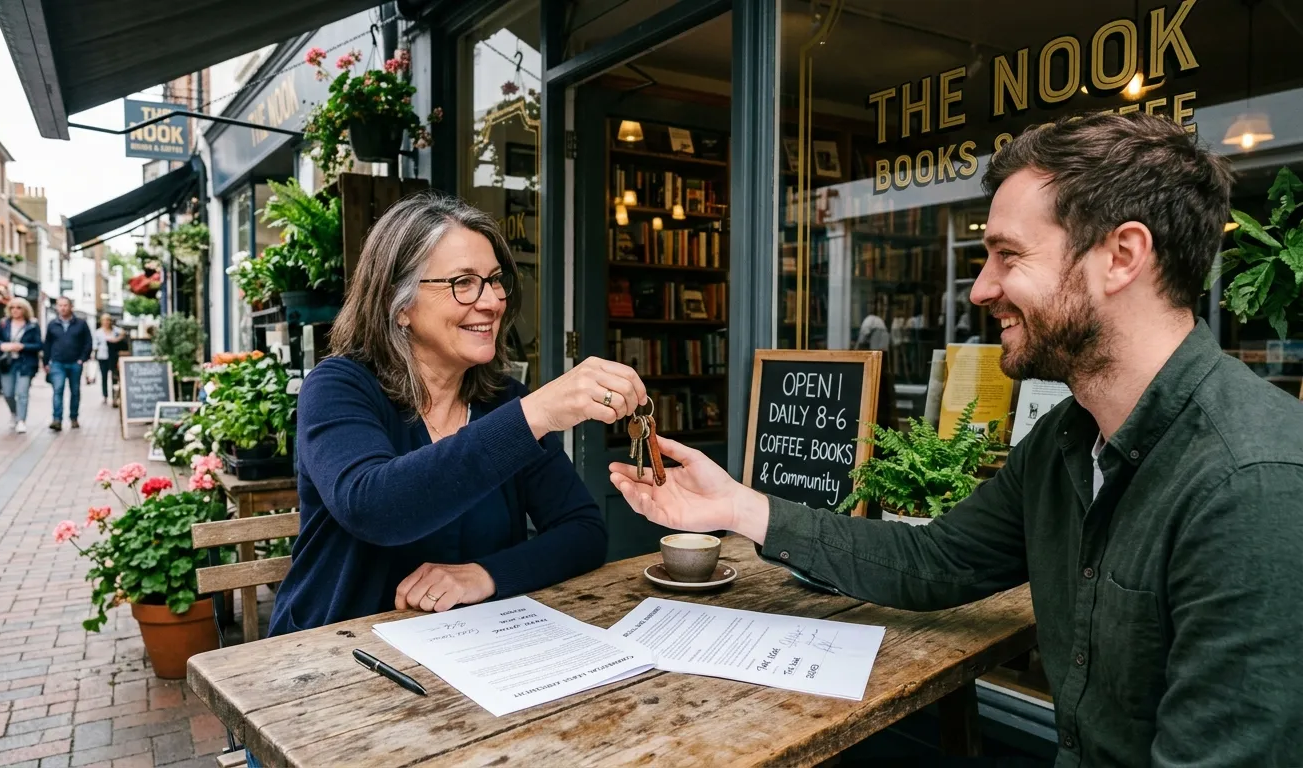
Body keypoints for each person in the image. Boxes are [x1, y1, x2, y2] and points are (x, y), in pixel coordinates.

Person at [610, 112, 1303, 766]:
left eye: (1006, 254)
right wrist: (733, 508)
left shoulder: (1254, 486)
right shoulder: (1067, 440)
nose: (979, 288)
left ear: (1121, 255)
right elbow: (935, 560)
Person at [267, 192, 637, 639]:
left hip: (471, 653)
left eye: (495, 280)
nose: (492, 302)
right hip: (336, 656)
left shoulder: (501, 400)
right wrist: (534, 415)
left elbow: (583, 532)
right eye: (464, 282)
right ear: (399, 304)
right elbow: (374, 507)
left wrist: (484, 575)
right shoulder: (338, 387)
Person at [0, 298, 43, 433]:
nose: (15, 310)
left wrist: (22, 346)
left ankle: (21, 420)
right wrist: (2, 345)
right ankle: (14, 413)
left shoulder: (32, 325)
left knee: (22, 393)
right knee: (8, 393)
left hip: (25, 363)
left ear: (25, 309)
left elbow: (39, 345)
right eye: (12, 307)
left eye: (19, 307)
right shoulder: (4, 324)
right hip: (7, 363)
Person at [42, 297, 92, 431]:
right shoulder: (52, 324)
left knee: (75, 391)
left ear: (71, 307)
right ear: (57, 307)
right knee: (58, 389)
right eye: (60, 306)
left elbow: (88, 343)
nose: (63, 308)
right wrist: (46, 362)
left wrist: (82, 359)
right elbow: (47, 344)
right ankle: (57, 419)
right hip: (57, 362)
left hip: (75, 362)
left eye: (65, 305)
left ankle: (74, 417)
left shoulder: (81, 324)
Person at [93, 314, 125, 404]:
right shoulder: (98, 332)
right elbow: (95, 345)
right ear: (101, 321)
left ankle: (114, 396)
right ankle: (105, 395)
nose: (106, 322)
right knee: (104, 377)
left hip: (113, 356)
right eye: (104, 320)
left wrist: (116, 340)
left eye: (108, 320)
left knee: (114, 377)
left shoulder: (115, 330)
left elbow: (123, 333)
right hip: (102, 356)